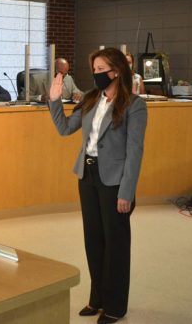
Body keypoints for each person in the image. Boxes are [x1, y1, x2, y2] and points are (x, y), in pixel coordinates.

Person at [47, 47, 147, 324]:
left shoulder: (134, 105)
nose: (97, 74)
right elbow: (65, 128)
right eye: (94, 70)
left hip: (115, 182)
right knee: (94, 240)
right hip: (88, 176)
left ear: (116, 71)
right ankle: (97, 299)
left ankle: (115, 306)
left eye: (101, 69)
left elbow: (134, 152)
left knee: (115, 244)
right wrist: (54, 101)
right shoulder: (91, 98)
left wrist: (127, 192)